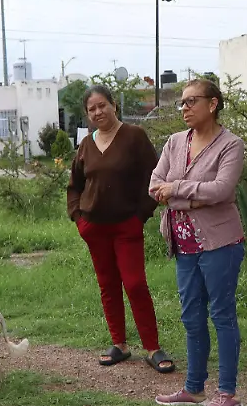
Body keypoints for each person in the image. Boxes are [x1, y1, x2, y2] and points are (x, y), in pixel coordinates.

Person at [151, 78, 246, 406]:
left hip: (220, 242)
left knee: (221, 315)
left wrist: (175, 189)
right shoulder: (175, 142)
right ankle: (193, 388)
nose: (185, 108)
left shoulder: (231, 145)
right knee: (191, 317)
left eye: (192, 101)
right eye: (183, 103)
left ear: (213, 104)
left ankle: (227, 392)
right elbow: (153, 185)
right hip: (182, 244)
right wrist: (190, 193)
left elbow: (220, 190)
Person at [66, 85, 171, 373]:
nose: (98, 112)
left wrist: (140, 215)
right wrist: (79, 217)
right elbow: (75, 184)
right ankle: (120, 344)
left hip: (127, 225)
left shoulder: (134, 136)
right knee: (108, 285)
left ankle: (152, 348)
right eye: (92, 109)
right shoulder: (86, 144)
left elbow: (155, 178)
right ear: (87, 114)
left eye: (103, 105)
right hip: (94, 227)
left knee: (135, 284)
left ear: (114, 105)